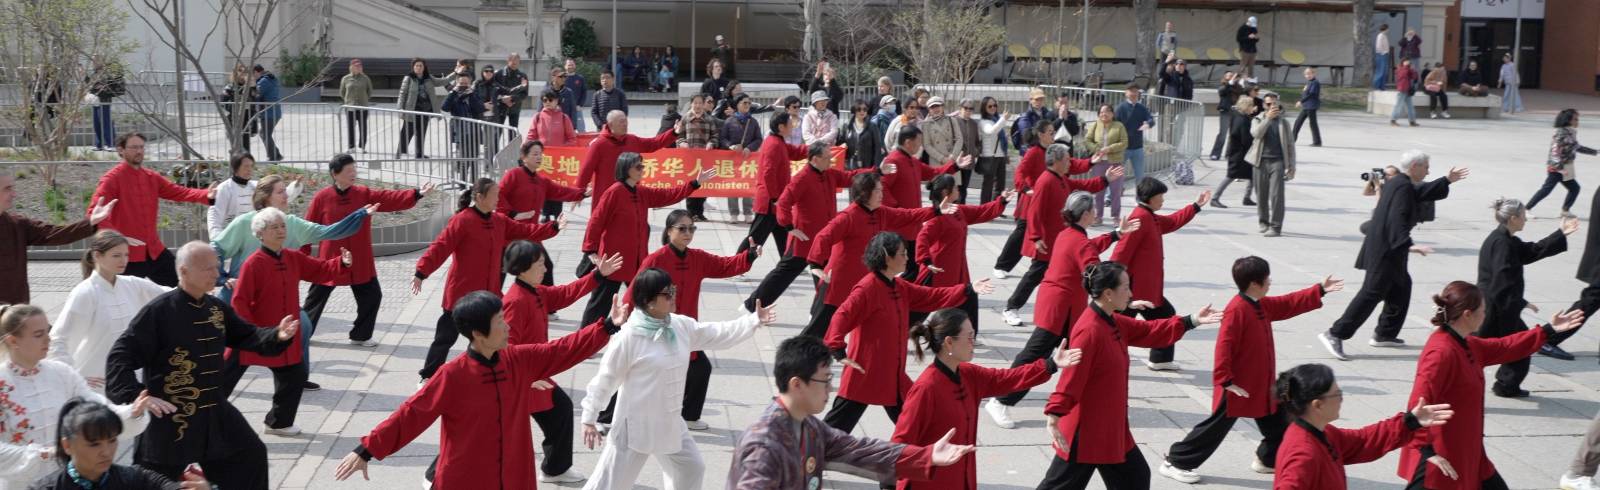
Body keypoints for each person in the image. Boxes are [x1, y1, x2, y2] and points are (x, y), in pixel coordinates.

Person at [333, 291, 624, 488]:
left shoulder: (518, 360)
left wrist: (607, 326)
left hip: (514, 473)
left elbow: (562, 349)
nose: (507, 327)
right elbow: (411, 413)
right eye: (499, 322)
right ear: (477, 333)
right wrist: (367, 450)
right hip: (467, 475)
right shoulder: (453, 375)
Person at [104, 242, 296, 487]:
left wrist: (277, 335)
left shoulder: (215, 308)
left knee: (250, 457)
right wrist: (136, 396)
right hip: (172, 415)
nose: (216, 274)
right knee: (155, 480)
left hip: (214, 410)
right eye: (208, 269)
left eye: (217, 267)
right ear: (184, 271)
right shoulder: (159, 312)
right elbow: (119, 357)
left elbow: (247, 335)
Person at [579, 269, 776, 490]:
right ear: (648, 301)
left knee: (690, 468)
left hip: (670, 420)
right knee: (609, 484)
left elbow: (717, 333)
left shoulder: (680, 325)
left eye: (673, 290)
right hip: (635, 426)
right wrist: (589, 417)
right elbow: (606, 378)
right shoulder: (629, 337)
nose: (673, 296)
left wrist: (753, 320)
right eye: (667, 293)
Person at [1038, 262, 1221, 489]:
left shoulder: (1110, 320)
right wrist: (1054, 413)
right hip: (1086, 432)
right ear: (1108, 293)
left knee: (1135, 479)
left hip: (1109, 426)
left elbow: (1148, 331)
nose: (1131, 293)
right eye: (1125, 287)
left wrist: (1191, 320)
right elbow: (1072, 377)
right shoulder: (1090, 331)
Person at [1159, 257, 1340, 483]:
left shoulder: (1258, 303)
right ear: (1254, 283)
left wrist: (1319, 290)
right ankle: (1176, 461)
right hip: (1238, 387)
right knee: (1213, 429)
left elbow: (1286, 303)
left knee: (1281, 423)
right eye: (1266, 278)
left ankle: (1267, 460)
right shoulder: (1237, 309)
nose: (1270, 282)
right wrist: (1226, 381)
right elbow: (1224, 347)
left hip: (1261, 384)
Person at [1400, 281, 1584, 489]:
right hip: (1441, 452)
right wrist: (1426, 451)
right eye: (1483, 310)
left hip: (1467, 447)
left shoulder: (1466, 343)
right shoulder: (1441, 353)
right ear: (1467, 314)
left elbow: (1504, 346)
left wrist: (1548, 330)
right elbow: (1419, 404)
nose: (1485, 315)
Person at [728, 335, 973, 488]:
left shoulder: (809, 427)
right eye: (825, 379)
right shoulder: (764, 446)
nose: (830, 387)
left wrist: (926, 455)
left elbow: (859, 449)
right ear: (797, 384)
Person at [987, 192, 1136, 428]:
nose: (1096, 213)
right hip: (1060, 309)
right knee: (1034, 356)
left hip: (1061, 306)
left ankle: (1076, 401)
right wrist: (1120, 294)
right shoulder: (1079, 241)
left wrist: (1116, 234)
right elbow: (1094, 269)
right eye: (1093, 210)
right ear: (1085, 214)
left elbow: (1088, 248)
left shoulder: (1068, 234)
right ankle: (1001, 399)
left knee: (1079, 356)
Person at [822, 231, 992, 434]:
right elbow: (842, 315)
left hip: (892, 374)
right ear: (887, 257)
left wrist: (967, 289)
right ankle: (806, 451)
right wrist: (837, 349)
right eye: (902, 254)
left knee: (915, 421)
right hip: (867, 372)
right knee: (833, 431)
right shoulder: (867, 288)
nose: (907, 258)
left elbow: (930, 296)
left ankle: (927, 450)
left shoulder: (898, 286)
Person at [893, 308, 1080, 490]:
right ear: (949, 342)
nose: (973, 342)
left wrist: (1051, 364)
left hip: (960, 477)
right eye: (969, 337)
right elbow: (899, 444)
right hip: (930, 482)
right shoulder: (927, 388)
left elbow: (1007, 379)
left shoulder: (967, 374)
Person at [0, 305, 170, 489]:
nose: (48, 339)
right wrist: (40, 455)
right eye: (38, 334)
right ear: (13, 341)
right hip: (21, 482)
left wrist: (131, 412)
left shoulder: (61, 373)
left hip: (66, 480)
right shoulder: (3, 382)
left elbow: (96, 408)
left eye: (47, 331)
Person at [1322, 151, 1467, 359]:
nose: (1428, 171)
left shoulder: (1399, 182)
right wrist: (1408, 244)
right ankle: (1335, 333)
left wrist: (1446, 180)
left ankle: (1385, 333)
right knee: (1371, 292)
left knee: (1401, 287)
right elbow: (1396, 218)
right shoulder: (1402, 185)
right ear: (1415, 166)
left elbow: (1421, 192)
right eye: (1426, 167)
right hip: (1385, 249)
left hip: (1387, 247)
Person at [414, 178, 561, 382]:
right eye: (494, 195)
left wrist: (552, 227)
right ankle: (428, 376)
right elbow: (441, 246)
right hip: (461, 294)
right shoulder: (462, 220)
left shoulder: (499, 220)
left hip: (489, 295)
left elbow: (525, 230)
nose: (498, 199)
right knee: (445, 338)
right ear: (480, 197)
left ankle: (487, 375)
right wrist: (421, 271)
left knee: (488, 339)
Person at [497, 241, 620, 484]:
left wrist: (597, 275)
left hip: (535, 374)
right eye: (540, 264)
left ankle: (555, 468)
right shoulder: (515, 301)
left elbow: (564, 294)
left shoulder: (535, 292)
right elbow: (505, 349)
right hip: (520, 379)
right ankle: (437, 474)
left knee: (559, 411)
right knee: (490, 430)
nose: (545, 269)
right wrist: (526, 378)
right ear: (522, 268)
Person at [223, 208, 351, 436]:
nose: (281, 230)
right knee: (223, 378)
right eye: (274, 227)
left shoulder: (292, 257)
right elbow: (240, 301)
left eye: (282, 226)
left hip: (284, 333)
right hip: (255, 334)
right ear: (260, 234)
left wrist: (341, 263)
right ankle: (203, 415)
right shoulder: (253, 263)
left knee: (294, 375)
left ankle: (278, 423)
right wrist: (248, 332)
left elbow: (319, 270)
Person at [640, 210, 757, 431]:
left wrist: (748, 256)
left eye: (691, 228)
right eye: (682, 228)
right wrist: (623, 319)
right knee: (643, 374)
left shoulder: (697, 258)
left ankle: (689, 417)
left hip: (686, 328)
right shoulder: (656, 260)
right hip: (659, 328)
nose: (688, 233)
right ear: (669, 231)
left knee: (700, 368)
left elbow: (724, 265)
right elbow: (637, 291)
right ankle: (608, 416)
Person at [742, 143, 888, 315]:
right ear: (815, 159)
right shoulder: (802, 178)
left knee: (826, 278)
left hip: (824, 240)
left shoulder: (829, 174)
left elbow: (851, 177)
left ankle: (819, 314)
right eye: (827, 157)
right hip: (804, 240)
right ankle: (751, 305)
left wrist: (877, 171)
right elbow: (783, 202)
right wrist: (789, 227)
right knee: (783, 275)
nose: (831, 160)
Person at [301, 155, 432, 347]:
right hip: (331, 259)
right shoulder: (322, 197)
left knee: (372, 296)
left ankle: (360, 335)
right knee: (315, 299)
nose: (353, 173)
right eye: (348, 170)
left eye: (354, 169)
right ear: (334, 174)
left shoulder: (363, 193)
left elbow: (388, 198)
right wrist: (302, 256)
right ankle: (301, 334)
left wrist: (417, 194)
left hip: (359, 258)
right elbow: (308, 227)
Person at [803, 173, 949, 339]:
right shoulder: (848, 216)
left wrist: (935, 210)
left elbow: (907, 215)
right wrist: (815, 265)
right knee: (817, 333)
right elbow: (823, 236)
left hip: (864, 283)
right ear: (865, 193)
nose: (882, 194)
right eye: (878, 191)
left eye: (881, 190)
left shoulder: (881, 213)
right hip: (839, 284)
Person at [580, 154, 716, 327]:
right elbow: (596, 221)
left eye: (642, 166)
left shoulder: (641, 191)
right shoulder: (614, 192)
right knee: (600, 303)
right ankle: (586, 336)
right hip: (614, 260)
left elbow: (668, 195)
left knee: (643, 303)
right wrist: (590, 250)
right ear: (626, 168)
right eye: (638, 167)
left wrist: (694, 183)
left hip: (638, 260)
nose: (642, 170)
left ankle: (641, 333)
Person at [1273, 363, 1453, 489]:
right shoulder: (1304, 454)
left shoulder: (1322, 433)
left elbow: (1363, 441)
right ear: (1317, 405)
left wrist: (1410, 421)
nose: (1342, 399)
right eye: (1337, 394)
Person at [212, 174, 371, 306]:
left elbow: (328, 232)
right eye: (280, 192)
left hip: (275, 300)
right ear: (266, 197)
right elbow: (216, 249)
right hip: (239, 296)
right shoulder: (244, 222)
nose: (286, 195)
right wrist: (222, 278)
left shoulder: (293, 224)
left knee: (304, 325)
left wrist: (359, 215)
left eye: (285, 190)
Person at [1002, 144, 1114, 328]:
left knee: (1049, 277)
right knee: (1034, 275)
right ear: (1056, 161)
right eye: (1067, 160)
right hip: (1046, 242)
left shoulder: (1061, 179)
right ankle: (1011, 308)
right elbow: (1034, 211)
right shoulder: (1046, 181)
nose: (1070, 163)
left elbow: (1081, 186)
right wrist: (1036, 237)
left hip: (1058, 240)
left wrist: (1104, 180)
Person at [1477, 199, 1576, 398]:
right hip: (1496, 308)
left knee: (1516, 346)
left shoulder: (1506, 239)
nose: (1525, 219)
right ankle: (1503, 385)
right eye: (1523, 216)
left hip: (1498, 305)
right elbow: (1502, 281)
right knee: (1497, 348)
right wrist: (1522, 302)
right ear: (1513, 218)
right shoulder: (1502, 243)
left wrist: (1560, 234)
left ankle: (1506, 385)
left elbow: (1531, 251)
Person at [49, 231, 171, 391]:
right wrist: (71, 377)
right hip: (96, 383)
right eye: (116, 255)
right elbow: (58, 339)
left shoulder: (132, 284)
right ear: (97, 256)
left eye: (126, 255)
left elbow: (169, 296)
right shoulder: (85, 292)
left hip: (130, 378)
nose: (124, 260)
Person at [88, 132, 214, 287]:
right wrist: (116, 239)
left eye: (141, 147)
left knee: (184, 285)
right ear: (121, 150)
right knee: (123, 297)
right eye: (134, 147)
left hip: (154, 251)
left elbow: (178, 192)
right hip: (127, 256)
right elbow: (95, 213)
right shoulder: (111, 180)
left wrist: (206, 195)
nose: (139, 151)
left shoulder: (151, 177)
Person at [1112, 178, 1208, 370]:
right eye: (1160, 196)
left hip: (1145, 288)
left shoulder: (1149, 216)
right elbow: (1120, 253)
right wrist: (1114, 283)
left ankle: (1159, 359)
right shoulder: (1140, 218)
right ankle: (1112, 357)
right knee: (1119, 325)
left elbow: (1171, 222)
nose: (1163, 200)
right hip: (1135, 289)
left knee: (1157, 319)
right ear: (1150, 198)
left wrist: (1195, 206)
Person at [26, 399, 211, 490]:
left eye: (112, 440)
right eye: (94, 444)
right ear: (67, 445)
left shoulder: (134, 478)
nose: (106, 452)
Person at [913, 175, 1011, 331]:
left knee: (968, 301)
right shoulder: (937, 217)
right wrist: (925, 260)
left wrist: (1002, 201)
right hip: (938, 271)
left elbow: (980, 211)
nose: (958, 189)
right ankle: (901, 330)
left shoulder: (958, 210)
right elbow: (922, 237)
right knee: (919, 310)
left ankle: (968, 335)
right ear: (946, 192)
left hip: (958, 270)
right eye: (955, 187)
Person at [0, 174, 116, 305]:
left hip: (16, 308)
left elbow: (54, 233)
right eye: (7, 189)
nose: (14, 194)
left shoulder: (17, 225)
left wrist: (91, 222)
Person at [880, 126, 974, 283]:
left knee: (913, 266)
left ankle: (902, 291)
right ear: (908, 142)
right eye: (919, 141)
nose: (920, 145)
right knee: (906, 266)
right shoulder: (893, 161)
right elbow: (882, 186)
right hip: (899, 224)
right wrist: (896, 209)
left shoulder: (912, 161)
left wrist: (955, 166)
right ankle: (899, 290)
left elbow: (933, 173)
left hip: (913, 223)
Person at [993, 123, 1056, 284]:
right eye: (1050, 132)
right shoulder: (1033, 152)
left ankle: (1044, 267)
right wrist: (1025, 188)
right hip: (1031, 200)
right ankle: (1001, 266)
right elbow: (1020, 171)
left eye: (1053, 131)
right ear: (1041, 135)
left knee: (1044, 234)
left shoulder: (1051, 151)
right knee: (1021, 234)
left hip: (1046, 200)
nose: (1053, 134)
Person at [741, 113, 808, 257]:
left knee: (784, 239)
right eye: (789, 124)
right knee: (754, 240)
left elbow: (795, 152)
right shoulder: (774, 144)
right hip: (769, 204)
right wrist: (775, 198)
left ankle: (787, 263)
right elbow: (768, 173)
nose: (792, 126)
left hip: (776, 202)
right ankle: (734, 265)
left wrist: (814, 150)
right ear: (781, 127)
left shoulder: (778, 141)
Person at [576, 110, 678, 201]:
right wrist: (578, 193)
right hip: (606, 196)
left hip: (630, 194)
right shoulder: (599, 144)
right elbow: (586, 169)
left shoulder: (632, 140)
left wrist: (674, 133)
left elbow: (654, 143)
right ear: (611, 124)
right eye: (621, 122)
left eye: (626, 121)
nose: (625, 124)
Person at [499, 140, 586, 234]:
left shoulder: (542, 180)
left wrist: (583, 193)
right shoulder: (513, 174)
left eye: (540, 154)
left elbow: (561, 191)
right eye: (535, 154)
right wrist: (512, 214)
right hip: (511, 231)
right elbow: (498, 195)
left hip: (532, 232)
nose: (539, 157)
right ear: (524, 157)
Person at [208, 154, 300, 240]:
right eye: (246, 166)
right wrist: (217, 239)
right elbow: (215, 215)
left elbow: (279, 196)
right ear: (236, 167)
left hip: (254, 237)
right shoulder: (224, 188)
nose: (250, 169)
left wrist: (295, 186)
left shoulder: (255, 185)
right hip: (232, 237)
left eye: (251, 166)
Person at [1527, 109, 1594, 219]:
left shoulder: (1571, 132)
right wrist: (1560, 168)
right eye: (1575, 119)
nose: (1578, 121)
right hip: (1557, 168)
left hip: (1566, 167)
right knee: (1546, 189)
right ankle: (1526, 209)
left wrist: (1595, 152)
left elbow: (1576, 147)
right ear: (1568, 120)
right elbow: (1555, 151)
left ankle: (1565, 211)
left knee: (1574, 188)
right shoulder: (1561, 133)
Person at [1251, 93, 1295, 236]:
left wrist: (1292, 166)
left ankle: (1276, 227)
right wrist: (1268, 119)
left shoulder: (1284, 123)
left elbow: (1290, 145)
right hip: (1260, 161)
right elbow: (1256, 134)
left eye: (1274, 103)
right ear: (1264, 105)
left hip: (1278, 161)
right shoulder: (1257, 119)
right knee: (1261, 195)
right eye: (1269, 104)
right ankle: (1263, 222)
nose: (1272, 106)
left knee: (1277, 195)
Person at [677, 94, 720, 221]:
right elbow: (679, 136)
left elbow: (715, 136)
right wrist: (682, 143)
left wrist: (711, 143)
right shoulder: (685, 118)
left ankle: (699, 213)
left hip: (704, 158)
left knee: (703, 185)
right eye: (695, 103)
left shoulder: (709, 119)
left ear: (703, 104)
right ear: (691, 104)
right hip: (689, 158)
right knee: (690, 184)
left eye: (700, 103)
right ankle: (691, 213)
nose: (697, 105)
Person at [1083, 104, 1129, 224]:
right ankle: (1098, 217)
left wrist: (1110, 148)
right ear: (1098, 114)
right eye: (1102, 112)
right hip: (1099, 163)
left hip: (1115, 163)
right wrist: (1096, 149)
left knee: (1115, 191)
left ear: (1112, 114)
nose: (1104, 114)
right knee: (1099, 191)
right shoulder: (1095, 125)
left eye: (1107, 111)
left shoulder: (1119, 126)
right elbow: (1087, 140)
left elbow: (1124, 142)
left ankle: (1116, 217)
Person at [720, 95, 762, 222]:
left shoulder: (753, 122)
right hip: (732, 159)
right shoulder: (729, 121)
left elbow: (758, 139)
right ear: (737, 104)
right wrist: (731, 146)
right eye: (744, 103)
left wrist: (749, 148)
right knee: (733, 185)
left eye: (749, 103)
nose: (747, 105)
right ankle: (734, 213)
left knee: (747, 184)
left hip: (748, 159)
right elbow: (722, 138)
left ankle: (748, 212)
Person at [396, 58, 447, 159]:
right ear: (413, 67)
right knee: (406, 132)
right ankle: (399, 153)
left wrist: (455, 73)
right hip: (412, 110)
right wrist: (400, 108)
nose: (418, 67)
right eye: (416, 66)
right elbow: (402, 94)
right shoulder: (409, 78)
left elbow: (442, 81)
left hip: (425, 110)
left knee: (421, 132)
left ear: (424, 67)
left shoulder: (429, 78)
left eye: (420, 66)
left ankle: (419, 153)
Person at [1215, 96, 1258, 208]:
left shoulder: (1238, 116)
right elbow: (1245, 138)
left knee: (1252, 174)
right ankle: (1215, 198)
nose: (1253, 107)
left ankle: (1247, 198)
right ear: (1246, 106)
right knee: (1231, 175)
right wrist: (1255, 142)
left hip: (1239, 151)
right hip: (1238, 153)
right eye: (1251, 105)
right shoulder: (1242, 120)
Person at [975, 98, 1014, 203]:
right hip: (989, 156)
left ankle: (996, 207)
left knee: (1000, 185)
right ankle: (984, 207)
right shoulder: (984, 122)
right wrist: (1003, 119)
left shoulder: (996, 120)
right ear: (984, 108)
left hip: (1000, 155)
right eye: (990, 106)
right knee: (988, 185)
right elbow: (991, 131)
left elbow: (1000, 137)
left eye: (995, 105)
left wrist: (1006, 154)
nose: (993, 108)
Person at [920, 97, 965, 174]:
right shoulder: (926, 124)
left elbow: (959, 139)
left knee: (952, 181)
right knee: (938, 180)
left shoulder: (952, 120)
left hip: (952, 159)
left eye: (938, 106)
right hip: (936, 160)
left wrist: (953, 156)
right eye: (932, 107)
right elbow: (927, 145)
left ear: (943, 107)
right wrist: (942, 158)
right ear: (929, 110)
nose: (936, 109)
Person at [495, 53, 530, 144]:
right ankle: (494, 150)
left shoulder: (522, 76)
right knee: (497, 132)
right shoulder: (499, 74)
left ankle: (512, 151)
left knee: (513, 132)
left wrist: (512, 98)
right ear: (508, 60)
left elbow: (524, 94)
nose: (514, 62)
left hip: (514, 107)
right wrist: (502, 99)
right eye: (512, 59)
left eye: (517, 60)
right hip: (500, 107)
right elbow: (493, 90)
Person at [88, 64, 125, 152]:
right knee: (97, 123)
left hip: (104, 100)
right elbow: (89, 83)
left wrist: (102, 86)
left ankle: (111, 144)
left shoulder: (108, 73)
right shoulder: (94, 74)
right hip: (95, 101)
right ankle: (99, 144)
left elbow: (112, 85)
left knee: (106, 123)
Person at [250, 65, 283, 161]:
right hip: (273, 112)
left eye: (253, 74)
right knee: (264, 134)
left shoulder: (263, 81)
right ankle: (276, 155)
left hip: (269, 113)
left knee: (265, 134)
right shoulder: (270, 79)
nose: (253, 77)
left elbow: (256, 95)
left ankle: (273, 157)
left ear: (256, 72)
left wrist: (251, 86)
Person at [841, 100, 885, 170]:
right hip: (851, 165)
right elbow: (842, 142)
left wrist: (876, 167)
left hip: (868, 165)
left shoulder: (872, 126)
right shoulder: (847, 126)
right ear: (854, 111)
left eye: (865, 109)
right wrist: (843, 145)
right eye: (859, 109)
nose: (862, 112)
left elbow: (877, 147)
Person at [340, 58, 372, 153]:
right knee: (350, 127)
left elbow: (369, 91)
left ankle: (362, 147)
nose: (359, 67)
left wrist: (364, 99)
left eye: (360, 66)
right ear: (351, 67)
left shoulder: (365, 78)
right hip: (350, 107)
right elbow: (342, 92)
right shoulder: (345, 79)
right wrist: (348, 101)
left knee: (363, 127)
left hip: (362, 107)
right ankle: (351, 147)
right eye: (356, 66)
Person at [1209, 72, 1241, 160]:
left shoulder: (1237, 86)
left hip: (1236, 112)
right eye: (1228, 75)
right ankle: (1215, 153)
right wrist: (1230, 83)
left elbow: (1242, 93)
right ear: (1225, 77)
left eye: (1232, 75)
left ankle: (1229, 154)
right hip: (1225, 112)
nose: (1231, 77)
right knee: (1222, 134)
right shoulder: (1223, 86)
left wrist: (1242, 81)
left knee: (1233, 134)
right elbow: (1222, 92)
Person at [1294, 67, 1323, 145]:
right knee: (1298, 122)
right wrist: (1302, 101)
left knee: (1312, 124)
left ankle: (1317, 142)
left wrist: (1301, 101)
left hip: (1311, 106)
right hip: (1306, 106)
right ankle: (1292, 139)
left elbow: (1311, 94)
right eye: (1306, 74)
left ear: (1314, 74)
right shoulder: (1309, 82)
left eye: (1309, 74)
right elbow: (1305, 93)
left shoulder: (1315, 83)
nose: (1308, 75)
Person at [1390, 59, 1420, 127]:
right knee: (1399, 105)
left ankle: (1412, 121)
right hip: (1402, 89)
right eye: (1406, 61)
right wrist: (1406, 67)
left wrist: (1413, 70)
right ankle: (1393, 120)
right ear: (1402, 62)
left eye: (1408, 61)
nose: (1407, 62)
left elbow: (1414, 77)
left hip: (1408, 90)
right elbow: (1403, 75)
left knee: (1410, 106)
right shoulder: (1400, 69)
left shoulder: (1409, 69)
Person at [563, 59, 589, 132]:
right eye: (569, 65)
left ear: (575, 66)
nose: (570, 67)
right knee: (564, 129)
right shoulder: (561, 78)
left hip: (577, 108)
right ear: (565, 66)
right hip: (564, 108)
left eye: (572, 65)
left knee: (581, 129)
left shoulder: (580, 78)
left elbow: (584, 92)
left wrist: (580, 105)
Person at [1374, 24, 1392, 89]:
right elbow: (1378, 46)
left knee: (1384, 71)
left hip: (1385, 54)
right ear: (1385, 28)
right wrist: (1383, 52)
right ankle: (1377, 85)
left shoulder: (1384, 36)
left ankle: (1382, 86)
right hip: (1381, 54)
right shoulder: (1380, 36)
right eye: (1388, 28)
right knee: (1380, 71)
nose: (1388, 30)